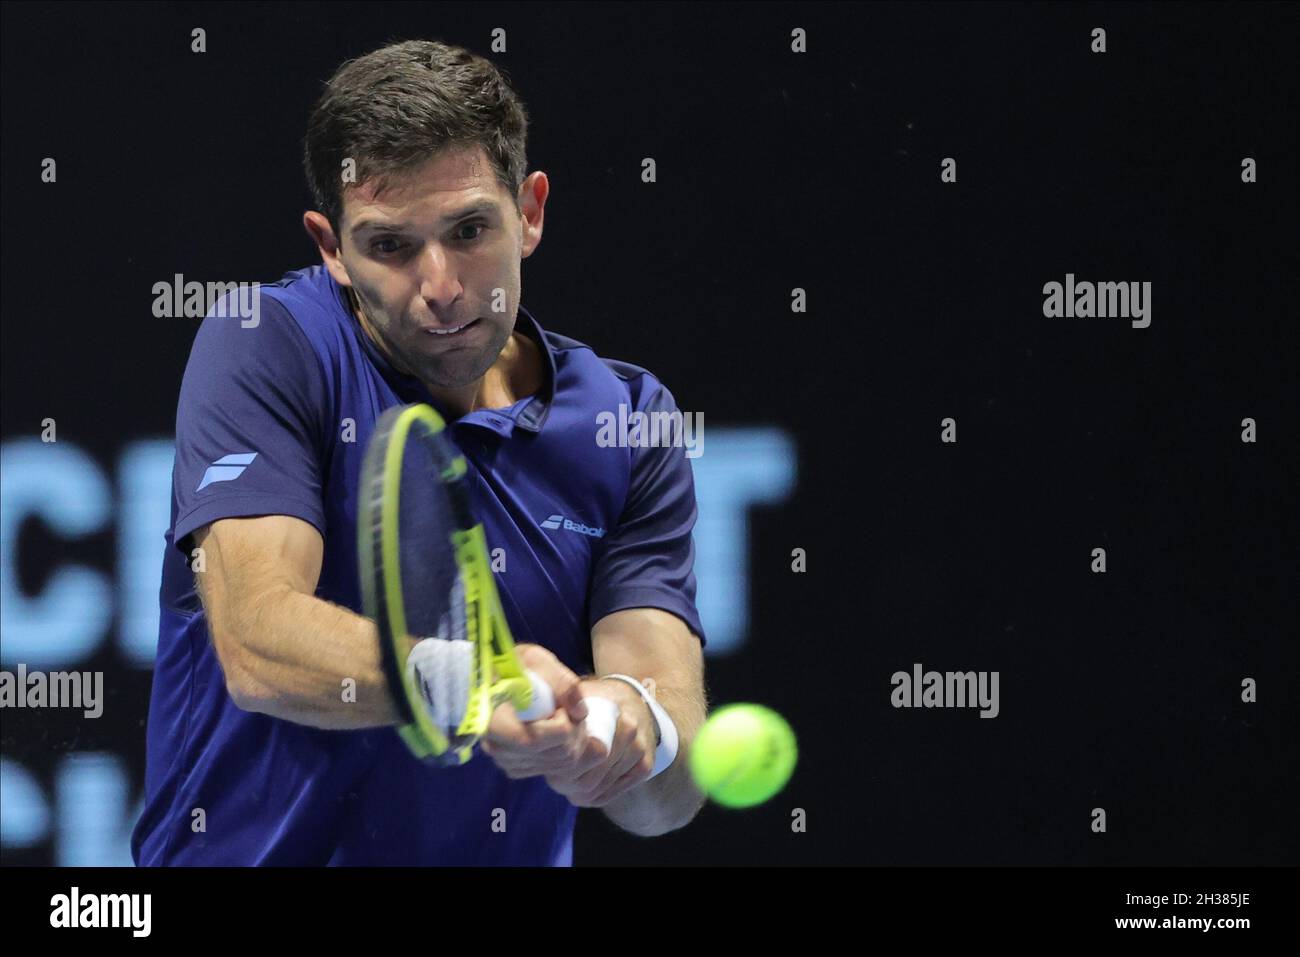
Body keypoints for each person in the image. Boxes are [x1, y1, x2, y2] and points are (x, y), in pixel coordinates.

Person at [131, 38, 708, 866]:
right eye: (391, 245)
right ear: (330, 248)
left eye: (470, 228)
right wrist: (475, 685)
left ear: (532, 211)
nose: (440, 285)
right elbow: (257, 641)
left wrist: (621, 729)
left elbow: (670, 787)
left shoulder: (630, 419)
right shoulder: (267, 344)